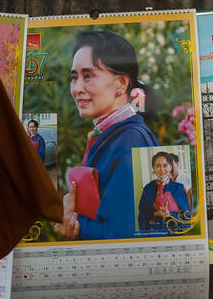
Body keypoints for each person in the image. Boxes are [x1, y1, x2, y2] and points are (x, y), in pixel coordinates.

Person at [53, 29, 156, 241]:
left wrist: (75, 222)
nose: (77, 88)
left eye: (88, 75)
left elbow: (123, 236)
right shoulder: (110, 134)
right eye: (74, 77)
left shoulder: (131, 141)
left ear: (121, 83)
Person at [138, 151, 190, 233]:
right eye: (158, 166)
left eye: (165, 165)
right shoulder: (147, 189)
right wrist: (154, 214)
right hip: (154, 235)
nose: (162, 169)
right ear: (153, 169)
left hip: (174, 234)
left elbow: (187, 217)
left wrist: (170, 215)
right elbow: (141, 216)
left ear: (170, 168)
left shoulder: (178, 188)